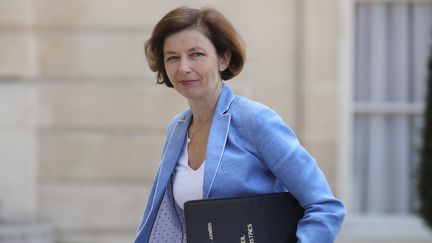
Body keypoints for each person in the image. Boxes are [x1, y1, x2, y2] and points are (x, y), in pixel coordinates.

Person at [135, 6, 345, 243]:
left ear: (223, 59)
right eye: (173, 57)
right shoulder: (177, 129)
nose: (184, 67)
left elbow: (325, 206)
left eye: (197, 54)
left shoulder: (255, 120)